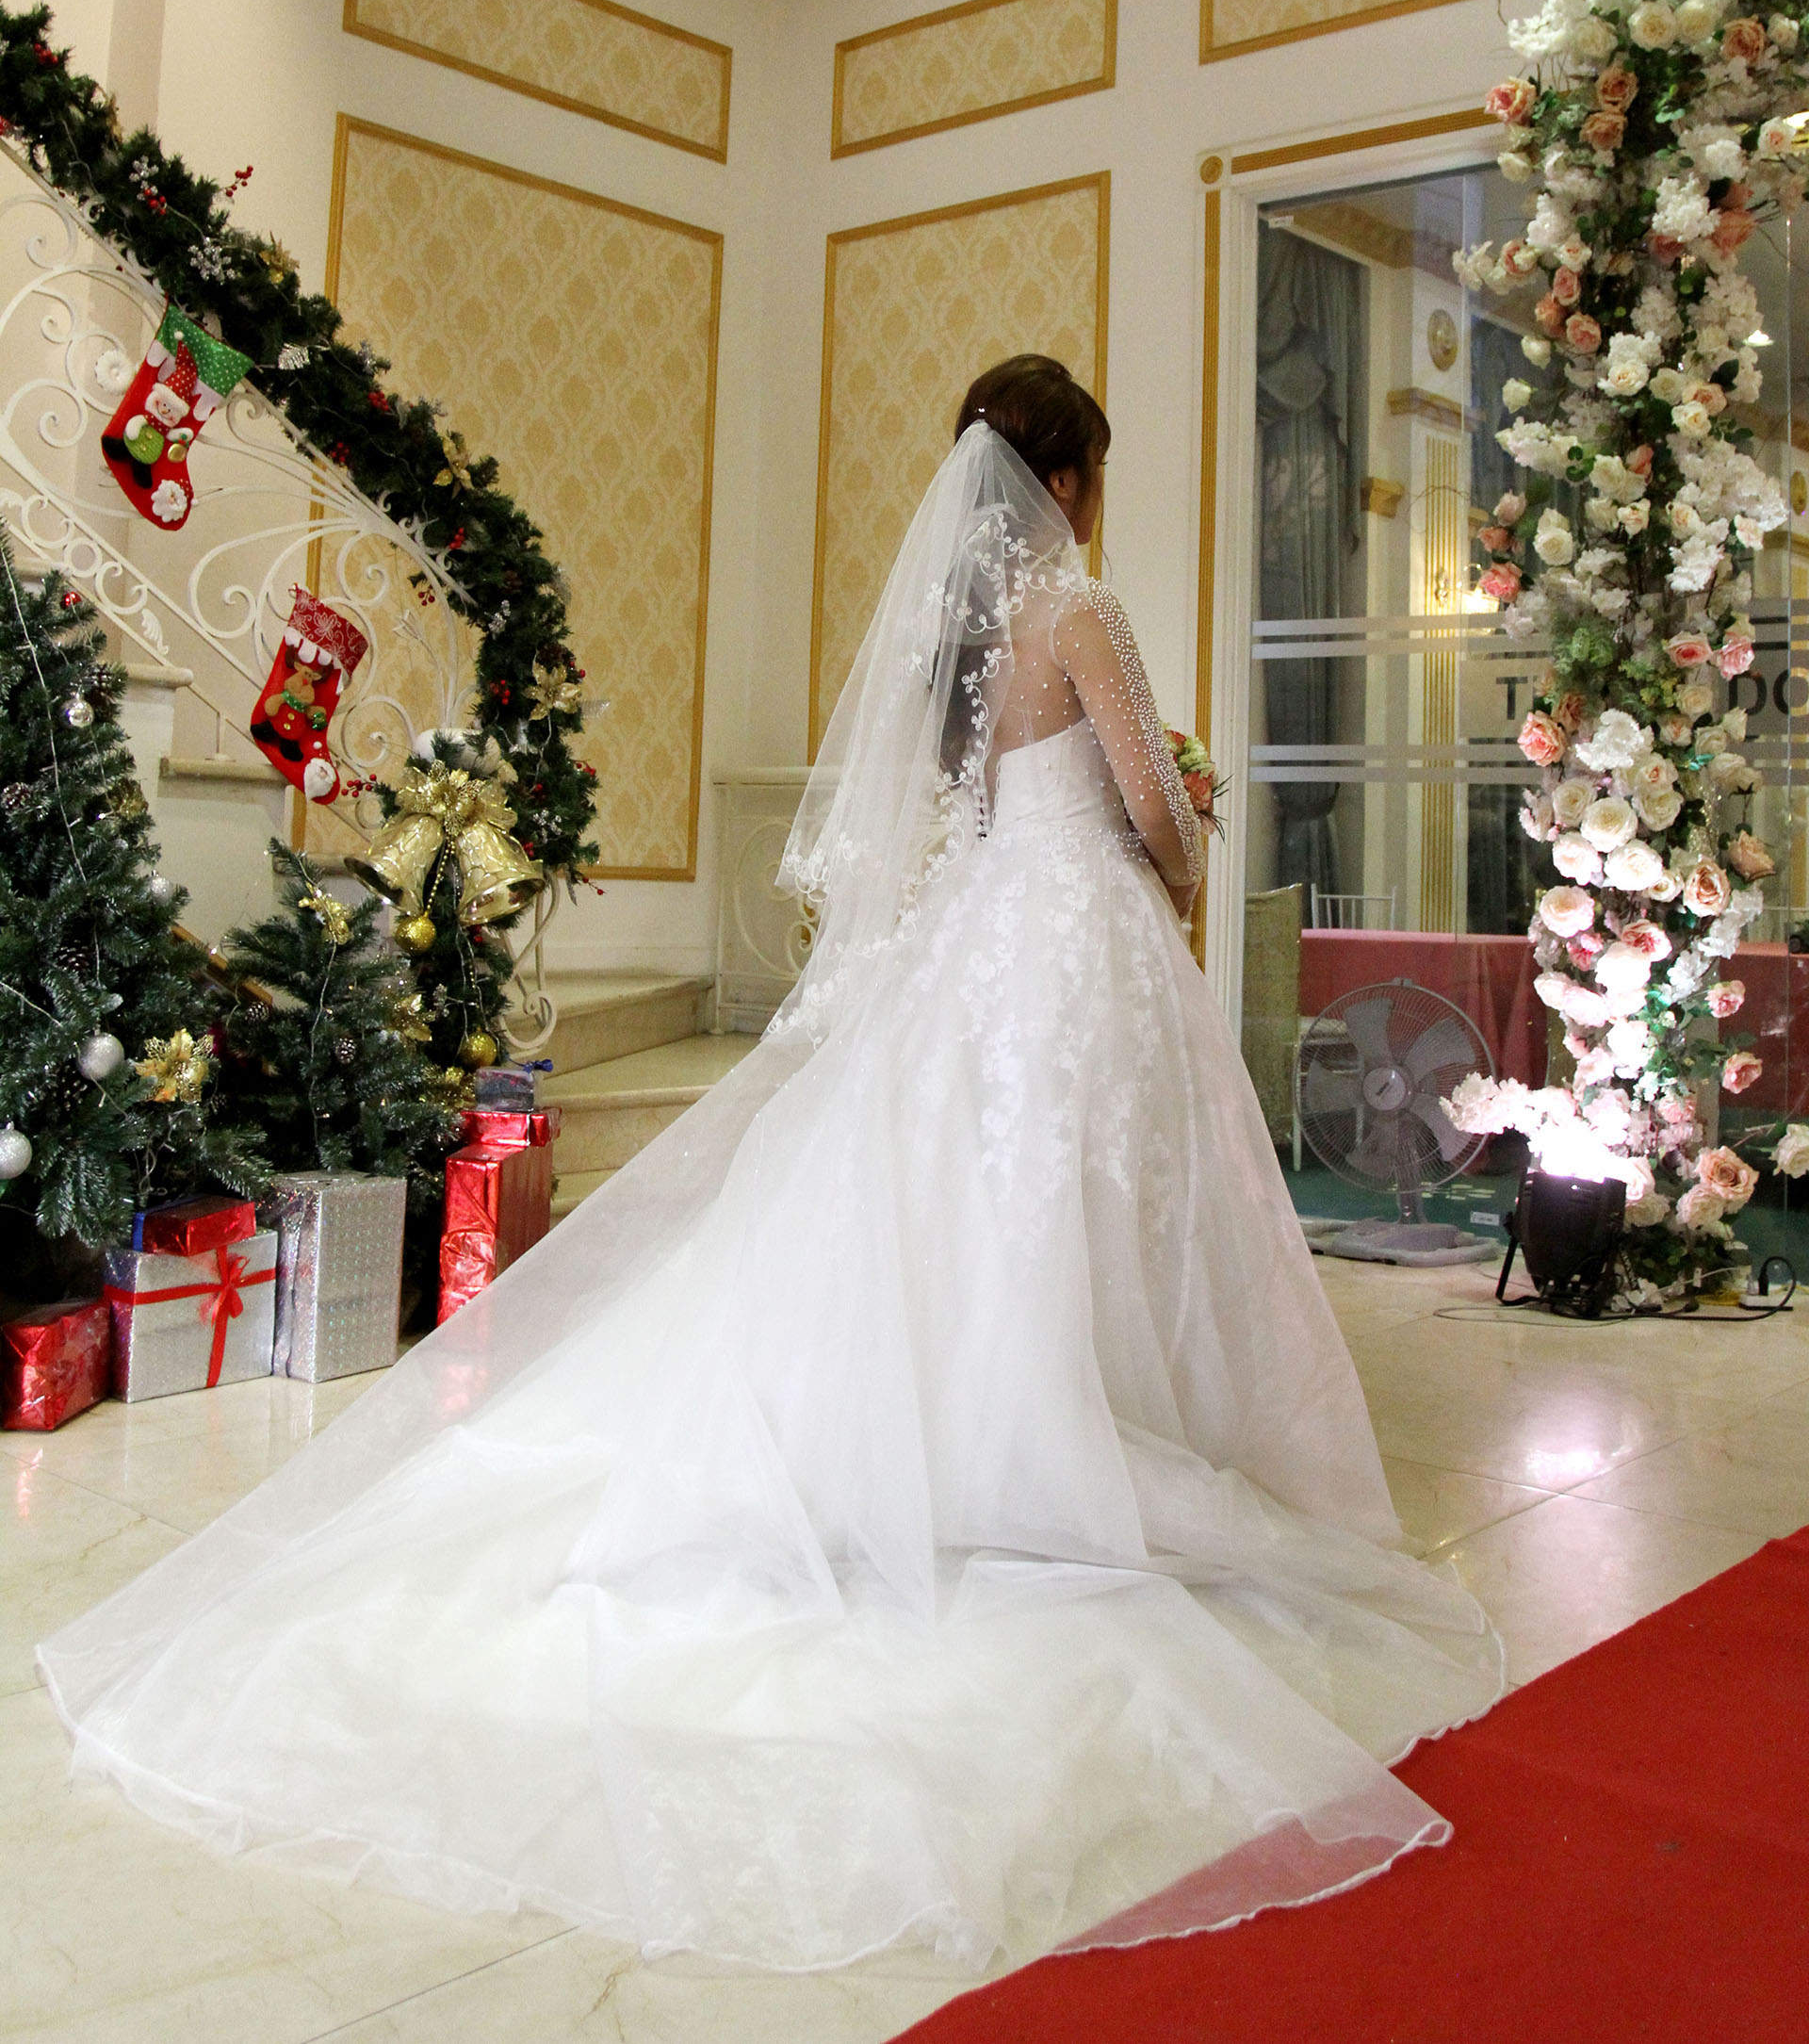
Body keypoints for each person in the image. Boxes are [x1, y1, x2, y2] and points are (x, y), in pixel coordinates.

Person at [39, 355, 1503, 1973]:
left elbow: (965, 810)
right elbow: (1152, 805)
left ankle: (991, 1425)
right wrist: (1184, 850)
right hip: (1077, 934)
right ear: (1069, 479)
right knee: (1091, 1197)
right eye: (1097, 472)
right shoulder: (1083, 612)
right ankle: (1074, 1429)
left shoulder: (958, 640)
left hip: (987, 926)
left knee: (979, 1196)